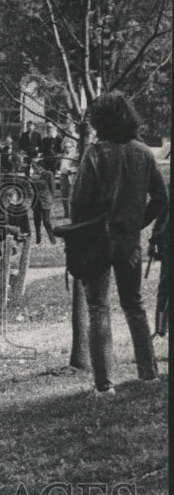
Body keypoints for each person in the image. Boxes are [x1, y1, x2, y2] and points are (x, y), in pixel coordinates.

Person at [71, 92, 168, 395]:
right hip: (129, 241)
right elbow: (162, 199)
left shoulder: (95, 153)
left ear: (99, 120)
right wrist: (138, 220)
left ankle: (104, 385)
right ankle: (149, 373)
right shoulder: (143, 152)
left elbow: (79, 201)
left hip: (97, 237)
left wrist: (78, 235)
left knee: (99, 308)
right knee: (134, 306)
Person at [149, 210, 169, 338]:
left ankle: (161, 328)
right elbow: (159, 223)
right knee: (164, 291)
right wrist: (153, 242)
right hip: (167, 252)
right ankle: (160, 328)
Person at [29, 159, 57, 244]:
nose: (32, 167)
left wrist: (50, 198)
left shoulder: (48, 174)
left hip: (45, 200)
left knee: (46, 221)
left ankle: (53, 240)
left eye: (34, 165)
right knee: (36, 221)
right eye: (32, 166)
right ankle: (38, 240)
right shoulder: (33, 175)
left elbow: (52, 188)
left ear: (39, 166)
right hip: (36, 200)